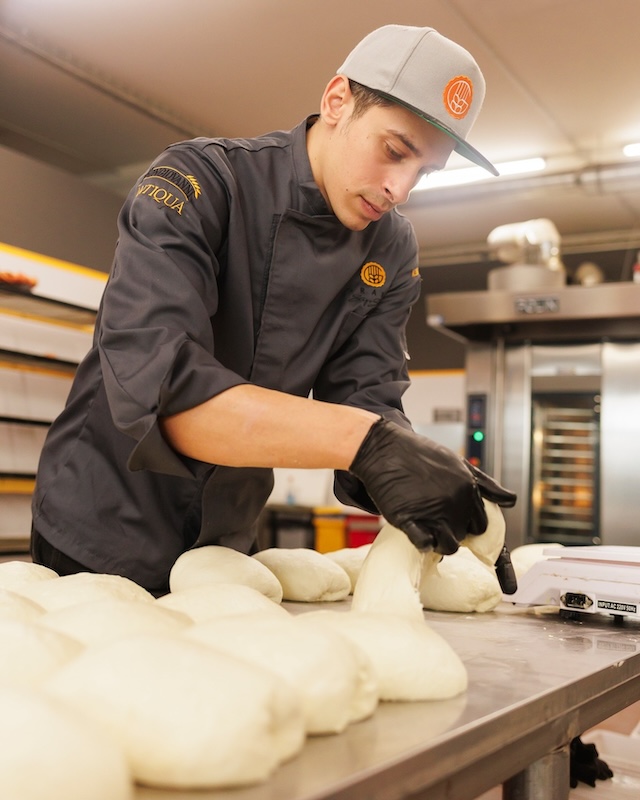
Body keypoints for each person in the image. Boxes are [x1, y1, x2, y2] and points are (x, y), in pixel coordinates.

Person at [31, 24, 516, 596]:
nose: (400, 190)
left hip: (225, 543)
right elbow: (169, 394)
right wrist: (373, 443)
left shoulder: (391, 247)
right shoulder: (199, 182)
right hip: (99, 527)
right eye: (394, 152)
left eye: (424, 172)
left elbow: (368, 399)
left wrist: (426, 479)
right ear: (337, 100)